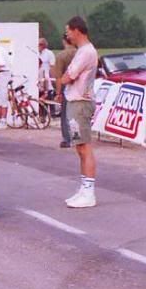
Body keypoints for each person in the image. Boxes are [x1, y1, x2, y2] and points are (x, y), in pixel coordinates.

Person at [60, 16, 98, 208]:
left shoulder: (86, 52)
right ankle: (84, 188)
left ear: (77, 30)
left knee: (84, 147)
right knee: (80, 147)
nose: (67, 34)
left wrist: (62, 79)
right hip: (76, 101)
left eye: (68, 30)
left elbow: (69, 75)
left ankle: (89, 192)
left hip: (81, 103)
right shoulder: (82, 51)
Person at [54, 35, 77, 148]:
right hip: (81, 86)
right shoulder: (81, 53)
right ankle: (78, 137)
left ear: (64, 41)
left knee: (65, 114)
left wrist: (58, 93)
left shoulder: (61, 56)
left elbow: (59, 77)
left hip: (67, 87)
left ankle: (67, 139)